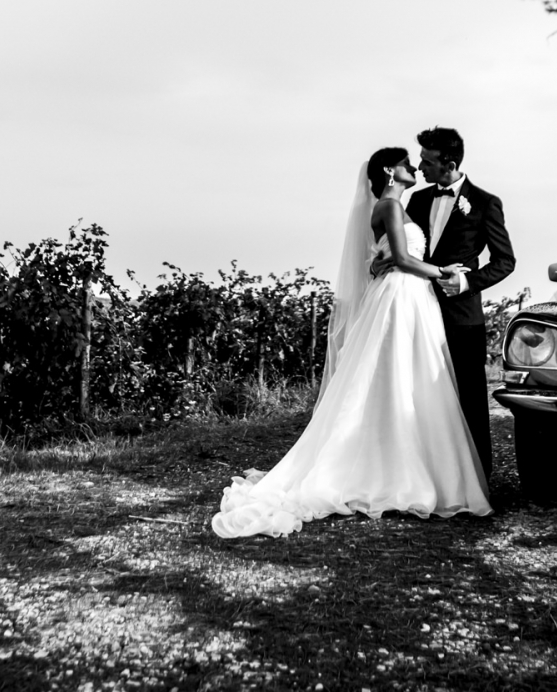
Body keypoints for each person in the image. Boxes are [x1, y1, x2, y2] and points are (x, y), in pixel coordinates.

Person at [210, 147, 493, 538]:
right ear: (389, 173)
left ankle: (413, 467)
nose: (414, 168)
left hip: (411, 296)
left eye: (418, 162)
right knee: (396, 376)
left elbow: (385, 258)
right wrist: (441, 270)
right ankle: (401, 473)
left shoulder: (398, 206)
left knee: (408, 376)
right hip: (400, 297)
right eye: (407, 164)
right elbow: (404, 259)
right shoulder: (391, 208)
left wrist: (381, 263)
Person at [391, 127, 516, 480]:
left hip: (463, 317)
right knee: (422, 393)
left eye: (426, 161)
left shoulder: (486, 202)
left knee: (471, 399)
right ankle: (427, 474)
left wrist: (464, 281)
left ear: (449, 162)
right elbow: (407, 251)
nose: (420, 167)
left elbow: (505, 261)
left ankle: (478, 478)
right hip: (417, 310)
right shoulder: (417, 200)